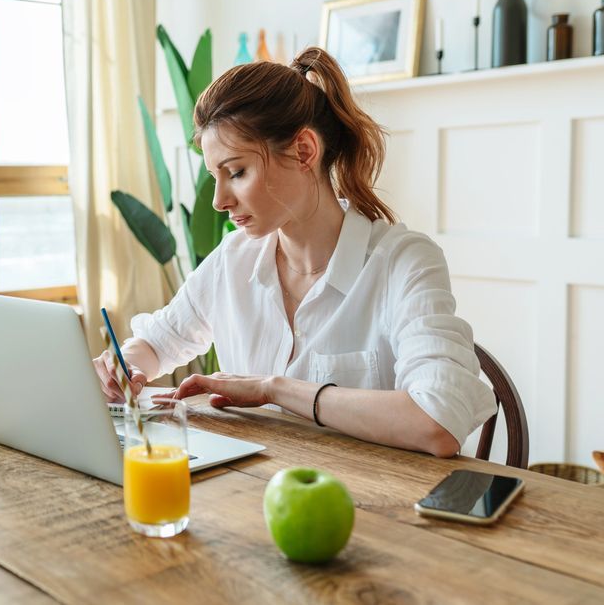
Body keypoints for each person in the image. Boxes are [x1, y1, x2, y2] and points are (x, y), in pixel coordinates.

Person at [93, 47, 496, 458]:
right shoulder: (233, 259)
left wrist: (274, 389)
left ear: (304, 151)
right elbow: (158, 343)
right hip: (251, 496)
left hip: (373, 509)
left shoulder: (404, 262)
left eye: (237, 172)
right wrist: (125, 366)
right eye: (215, 177)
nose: (218, 201)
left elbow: (438, 423)